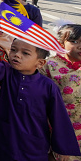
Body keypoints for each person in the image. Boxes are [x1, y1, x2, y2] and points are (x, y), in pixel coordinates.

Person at [0, 36, 81, 160]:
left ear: (40, 63)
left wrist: (63, 149)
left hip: (34, 143)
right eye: (14, 50)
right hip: (6, 138)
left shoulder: (48, 87)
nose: (17, 55)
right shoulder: (6, 72)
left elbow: (58, 117)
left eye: (25, 53)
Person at [41, 24, 81, 159]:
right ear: (61, 43)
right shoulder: (49, 65)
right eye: (74, 41)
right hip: (59, 127)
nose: (80, 46)